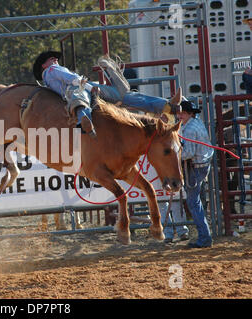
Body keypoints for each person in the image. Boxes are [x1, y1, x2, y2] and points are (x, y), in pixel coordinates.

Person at [32, 51, 182, 137]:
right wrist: (88, 87)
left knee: (125, 97)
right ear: (44, 65)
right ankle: (84, 120)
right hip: (82, 89)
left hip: (84, 91)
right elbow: (71, 79)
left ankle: (167, 106)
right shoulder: (52, 70)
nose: (55, 59)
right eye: (51, 59)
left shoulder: (48, 79)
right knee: (83, 96)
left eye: (55, 58)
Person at [177, 100, 213, 248]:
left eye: (182, 113)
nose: (179, 115)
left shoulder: (189, 129)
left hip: (195, 167)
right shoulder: (196, 123)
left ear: (188, 113)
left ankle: (204, 237)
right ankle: (205, 235)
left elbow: (188, 153)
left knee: (193, 202)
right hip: (202, 165)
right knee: (196, 201)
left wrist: (175, 155)